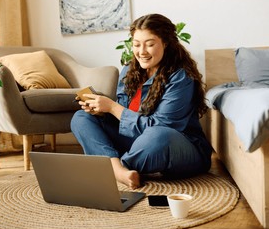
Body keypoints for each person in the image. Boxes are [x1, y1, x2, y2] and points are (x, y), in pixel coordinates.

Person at [70, 13, 213, 190]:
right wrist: (101, 111)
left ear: (166, 43)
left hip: (175, 145)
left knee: (159, 136)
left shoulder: (180, 77)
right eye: (137, 45)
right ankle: (120, 171)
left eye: (150, 44)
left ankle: (111, 166)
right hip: (136, 142)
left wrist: (112, 107)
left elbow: (160, 126)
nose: (142, 52)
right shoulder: (129, 71)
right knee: (81, 118)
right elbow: (121, 115)